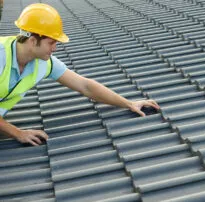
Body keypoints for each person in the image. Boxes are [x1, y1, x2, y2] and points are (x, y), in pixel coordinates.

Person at [0, 3, 160, 146]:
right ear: (33, 41)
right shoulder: (1, 56)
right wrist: (18, 133)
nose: (55, 48)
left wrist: (128, 103)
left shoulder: (44, 63)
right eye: (51, 43)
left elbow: (86, 86)